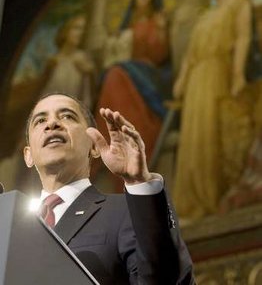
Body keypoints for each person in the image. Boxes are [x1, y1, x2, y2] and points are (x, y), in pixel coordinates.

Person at [23, 93, 194, 284]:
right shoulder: (11, 229)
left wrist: (139, 184)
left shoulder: (127, 211)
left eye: (67, 116)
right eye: (40, 120)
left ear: (94, 147)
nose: (52, 124)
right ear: (28, 156)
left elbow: (165, 280)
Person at [172, 0, 254, 222]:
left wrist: (238, 74)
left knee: (211, 132)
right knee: (193, 136)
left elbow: (243, 38)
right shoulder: (206, 15)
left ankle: (210, 197)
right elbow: (190, 54)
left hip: (219, 71)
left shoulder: (238, 3)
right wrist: (182, 79)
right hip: (198, 77)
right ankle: (191, 202)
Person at [95, 0, 173, 175]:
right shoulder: (126, 26)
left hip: (146, 73)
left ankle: (130, 133)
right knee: (112, 74)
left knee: (114, 74)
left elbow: (159, 55)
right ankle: (109, 142)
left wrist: (161, 30)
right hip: (125, 71)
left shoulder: (156, 21)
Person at [42, 15, 95, 107]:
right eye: (76, 28)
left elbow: (87, 99)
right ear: (65, 31)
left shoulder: (82, 59)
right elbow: (42, 95)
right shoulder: (53, 61)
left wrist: (89, 73)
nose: (81, 33)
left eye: (83, 29)